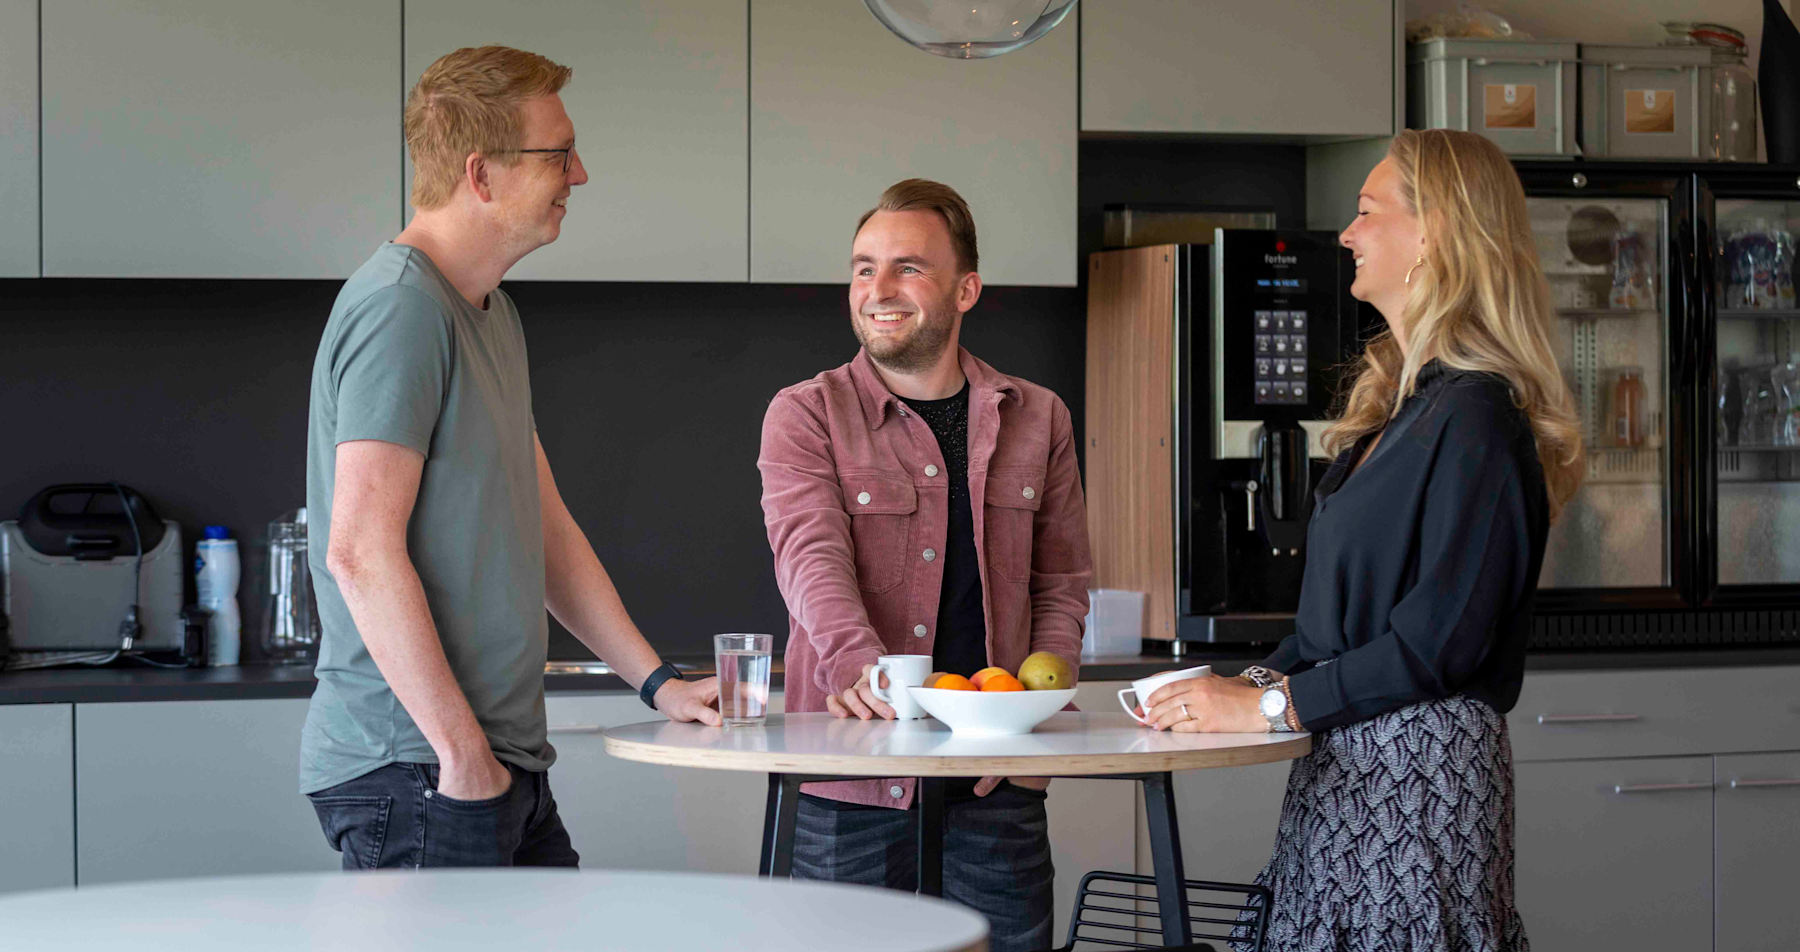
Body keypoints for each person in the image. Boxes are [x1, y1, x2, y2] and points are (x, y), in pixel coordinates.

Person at [1136, 129, 1585, 951]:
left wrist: (1268, 705)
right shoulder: (1403, 412)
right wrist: (1234, 686)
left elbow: (1436, 644)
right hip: (1346, 772)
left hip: (1420, 784)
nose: (1345, 233)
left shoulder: (1479, 417)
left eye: (1367, 210)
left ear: (1435, 234)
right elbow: (1327, 631)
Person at [299, 45, 720, 871]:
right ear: (480, 173)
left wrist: (655, 681)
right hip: (419, 768)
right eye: (558, 153)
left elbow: (547, 529)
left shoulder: (488, 311)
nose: (581, 174)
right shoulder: (402, 313)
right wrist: (463, 758)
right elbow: (357, 550)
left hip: (487, 764)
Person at [757, 178, 1093, 952]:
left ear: (965, 288)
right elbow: (809, 557)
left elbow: (1062, 582)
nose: (878, 289)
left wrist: (1032, 725)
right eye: (863, 267)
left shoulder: (1037, 416)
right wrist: (866, 675)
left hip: (994, 778)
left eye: (907, 267)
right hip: (851, 778)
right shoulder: (807, 413)